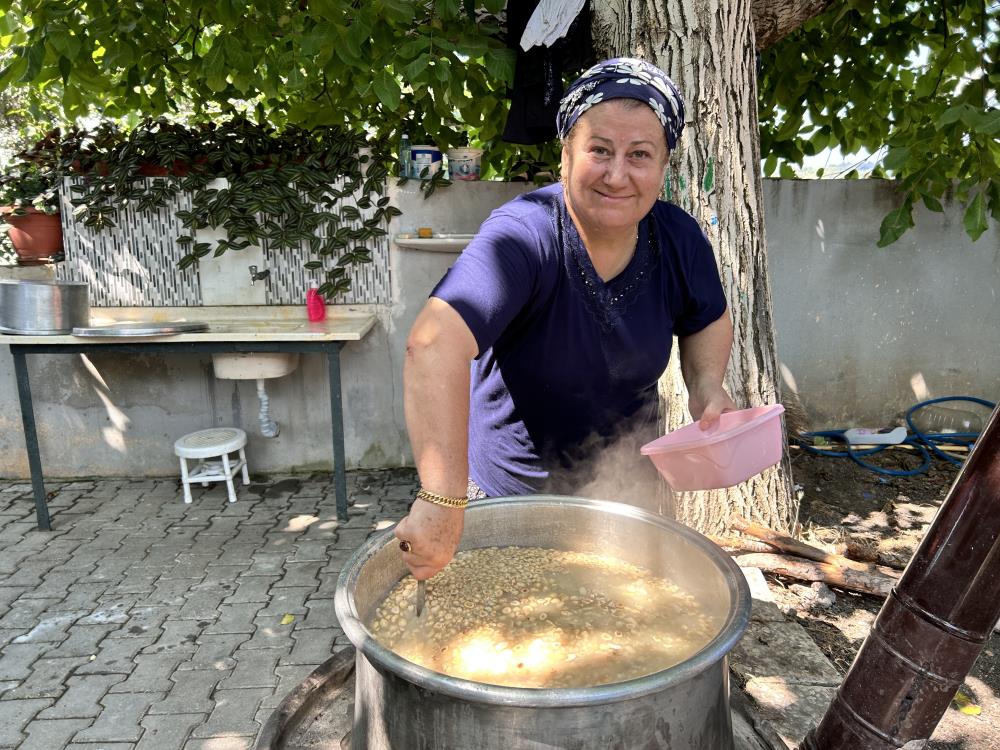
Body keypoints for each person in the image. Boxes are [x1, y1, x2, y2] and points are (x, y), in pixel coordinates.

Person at [395, 58, 736, 581]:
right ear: (566, 155)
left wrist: (707, 386)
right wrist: (442, 499)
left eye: (640, 155)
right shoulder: (523, 234)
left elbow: (706, 317)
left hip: (626, 493)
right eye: (599, 150)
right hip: (509, 501)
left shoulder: (678, 238)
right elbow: (433, 345)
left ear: (664, 166)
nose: (617, 174)